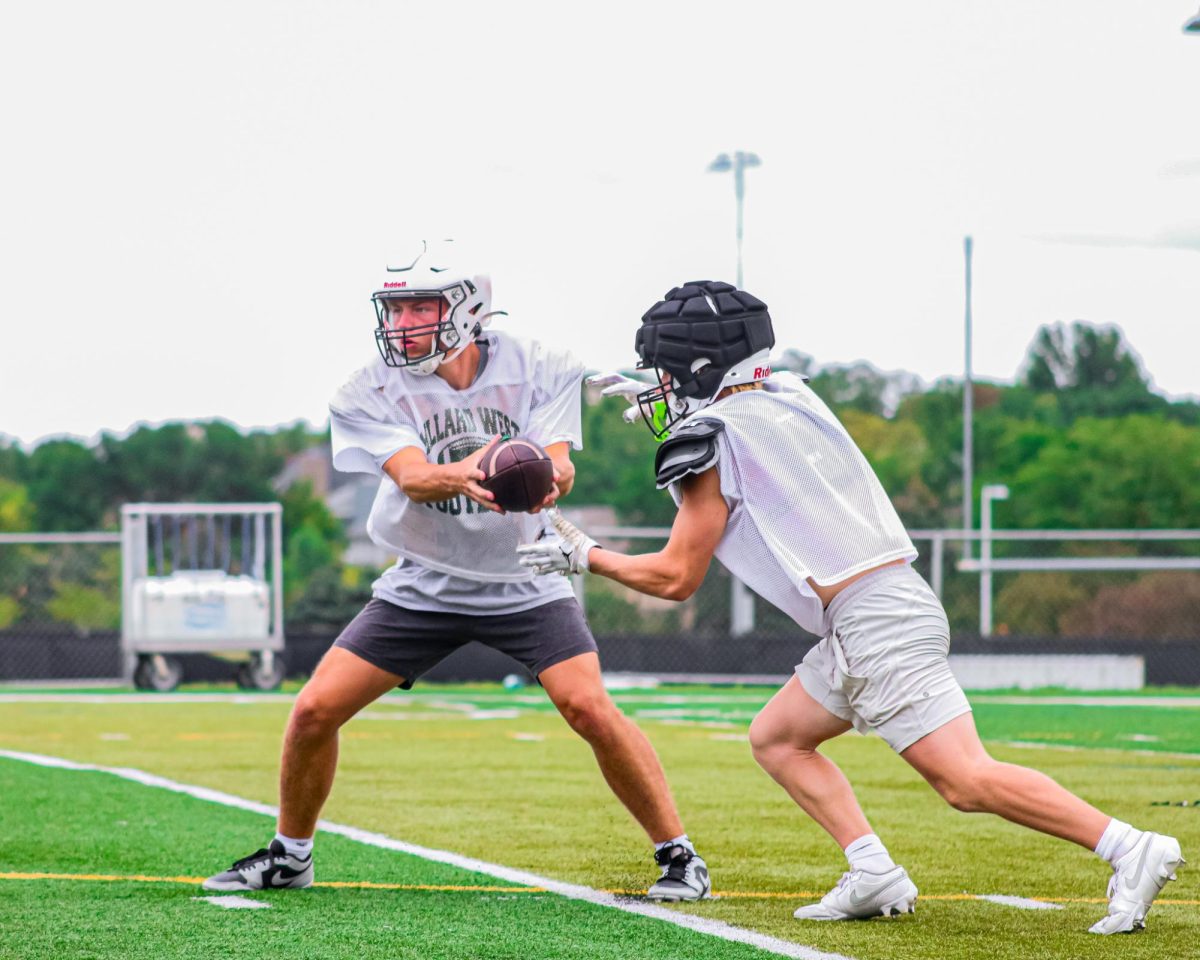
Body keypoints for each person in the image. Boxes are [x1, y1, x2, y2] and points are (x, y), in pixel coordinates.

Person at [517, 279, 1185, 934]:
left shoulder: (708, 441)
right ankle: (872, 870)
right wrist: (690, 398)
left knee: (965, 780)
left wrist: (586, 556)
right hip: (882, 606)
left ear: (698, 368)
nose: (657, 386)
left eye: (664, 371)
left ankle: (1128, 847)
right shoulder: (791, 394)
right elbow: (741, 406)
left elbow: (675, 577)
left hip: (876, 623)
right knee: (778, 739)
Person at [203, 245, 710, 902]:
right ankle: (290, 854)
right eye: (396, 307)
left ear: (469, 309)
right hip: (425, 582)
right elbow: (412, 477)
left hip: (528, 574)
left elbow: (559, 462)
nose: (405, 321)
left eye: (422, 305)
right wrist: (465, 474)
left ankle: (679, 855)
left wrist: (547, 478)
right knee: (313, 710)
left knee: (588, 705)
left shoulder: (540, 365)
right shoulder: (367, 388)